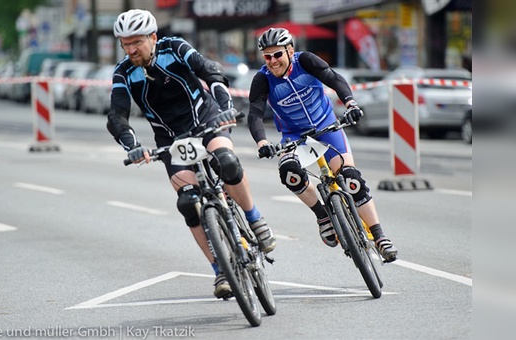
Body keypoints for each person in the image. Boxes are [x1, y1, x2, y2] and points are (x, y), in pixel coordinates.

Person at [106, 9, 277, 299]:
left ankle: (254, 218)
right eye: (125, 44)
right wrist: (131, 144)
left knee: (227, 163)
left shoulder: (174, 48)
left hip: (207, 120)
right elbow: (117, 115)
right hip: (171, 140)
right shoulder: (124, 72)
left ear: (153, 37)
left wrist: (224, 106)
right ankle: (219, 270)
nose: (131, 49)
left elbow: (210, 71)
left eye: (136, 42)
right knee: (187, 202)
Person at [248, 28, 398, 262]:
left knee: (351, 179)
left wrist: (350, 103)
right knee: (289, 173)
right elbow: (255, 114)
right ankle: (323, 216)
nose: (272, 62)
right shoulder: (262, 79)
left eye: (277, 55)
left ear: (290, 50)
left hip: (326, 125)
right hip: (295, 135)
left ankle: (379, 236)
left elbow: (334, 78)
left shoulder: (306, 61)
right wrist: (262, 142)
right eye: (267, 57)